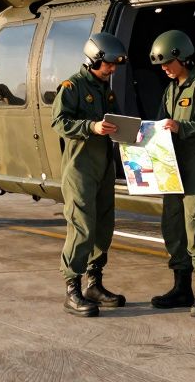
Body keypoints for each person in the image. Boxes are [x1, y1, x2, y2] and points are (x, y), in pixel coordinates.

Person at [51, 32, 129, 318]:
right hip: (80, 168)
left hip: (103, 168)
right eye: (109, 64)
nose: (113, 69)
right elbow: (59, 121)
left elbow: (117, 120)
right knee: (82, 226)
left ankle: (94, 284)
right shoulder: (72, 87)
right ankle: (72, 290)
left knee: (103, 226)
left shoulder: (105, 90)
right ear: (95, 59)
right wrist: (91, 127)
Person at [149, 30, 195, 318]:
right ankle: (182, 288)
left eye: (168, 62)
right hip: (171, 165)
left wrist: (183, 128)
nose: (164, 68)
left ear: (182, 57)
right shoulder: (170, 90)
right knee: (174, 226)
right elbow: (159, 124)